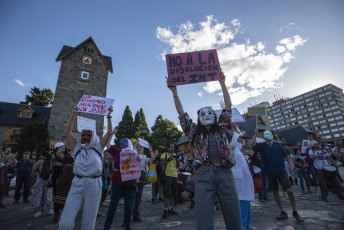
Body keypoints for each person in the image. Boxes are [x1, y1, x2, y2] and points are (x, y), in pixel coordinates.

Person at [167, 72, 242, 230]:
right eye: (202, 113)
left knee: (233, 214)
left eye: (209, 113)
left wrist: (222, 84)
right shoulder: (193, 132)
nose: (206, 115)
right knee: (203, 216)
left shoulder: (224, 130)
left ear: (215, 116)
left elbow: (228, 108)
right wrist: (175, 92)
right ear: (198, 118)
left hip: (225, 173)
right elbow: (182, 114)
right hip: (203, 174)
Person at [58, 106, 113, 230]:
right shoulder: (76, 149)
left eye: (89, 135)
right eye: (83, 135)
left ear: (93, 137)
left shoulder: (98, 148)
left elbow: (109, 132)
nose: (85, 137)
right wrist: (73, 115)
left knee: (88, 222)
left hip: (94, 184)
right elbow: (67, 132)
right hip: (77, 183)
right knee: (64, 224)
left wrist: (109, 116)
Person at [251, 129, 303, 223]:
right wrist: (255, 133)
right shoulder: (261, 145)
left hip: (280, 170)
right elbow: (252, 143)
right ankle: (282, 211)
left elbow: (286, 155)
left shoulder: (278, 145)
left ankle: (295, 211)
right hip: (270, 172)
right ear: (263, 137)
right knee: (275, 192)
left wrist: (290, 165)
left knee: (289, 190)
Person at [103, 135, 140, 230]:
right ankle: (107, 226)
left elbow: (136, 168)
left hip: (129, 181)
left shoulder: (133, 154)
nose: (122, 145)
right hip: (118, 180)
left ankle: (127, 224)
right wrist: (111, 133)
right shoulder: (117, 151)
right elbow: (107, 144)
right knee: (113, 203)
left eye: (124, 144)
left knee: (128, 203)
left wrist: (138, 160)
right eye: (121, 144)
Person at [231, 132, 256, 230]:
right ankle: (242, 226)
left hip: (243, 178)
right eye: (238, 135)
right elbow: (231, 145)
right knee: (242, 202)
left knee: (246, 201)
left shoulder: (238, 149)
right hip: (238, 179)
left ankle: (247, 224)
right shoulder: (232, 148)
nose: (241, 137)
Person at [132, 141, 155, 222]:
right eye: (138, 147)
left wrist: (150, 150)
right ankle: (128, 215)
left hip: (141, 178)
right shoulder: (131, 155)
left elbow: (153, 159)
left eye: (141, 147)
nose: (139, 148)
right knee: (131, 197)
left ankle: (135, 215)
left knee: (138, 197)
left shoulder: (143, 157)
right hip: (132, 178)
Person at [52, 142, 74, 223]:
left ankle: (65, 217)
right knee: (59, 197)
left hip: (73, 180)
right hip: (63, 179)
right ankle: (56, 215)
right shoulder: (67, 157)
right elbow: (58, 153)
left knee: (70, 200)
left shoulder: (78, 156)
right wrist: (67, 143)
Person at [31, 150, 53, 218]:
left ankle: (38, 210)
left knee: (38, 194)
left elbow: (34, 169)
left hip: (40, 180)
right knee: (48, 194)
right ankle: (50, 209)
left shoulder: (40, 161)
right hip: (48, 180)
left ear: (42, 155)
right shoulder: (51, 161)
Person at [160, 143, 179, 219]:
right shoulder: (164, 154)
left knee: (173, 194)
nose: (172, 149)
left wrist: (177, 161)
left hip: (175, 176)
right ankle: (165, 209)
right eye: (171, 147)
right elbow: (162, 164)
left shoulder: (174, 155)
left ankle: (171, 208)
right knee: (167, 194)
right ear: (167, 148)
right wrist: (169, 159)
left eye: (173, 147)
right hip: (167, 176)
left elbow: (178, 166)